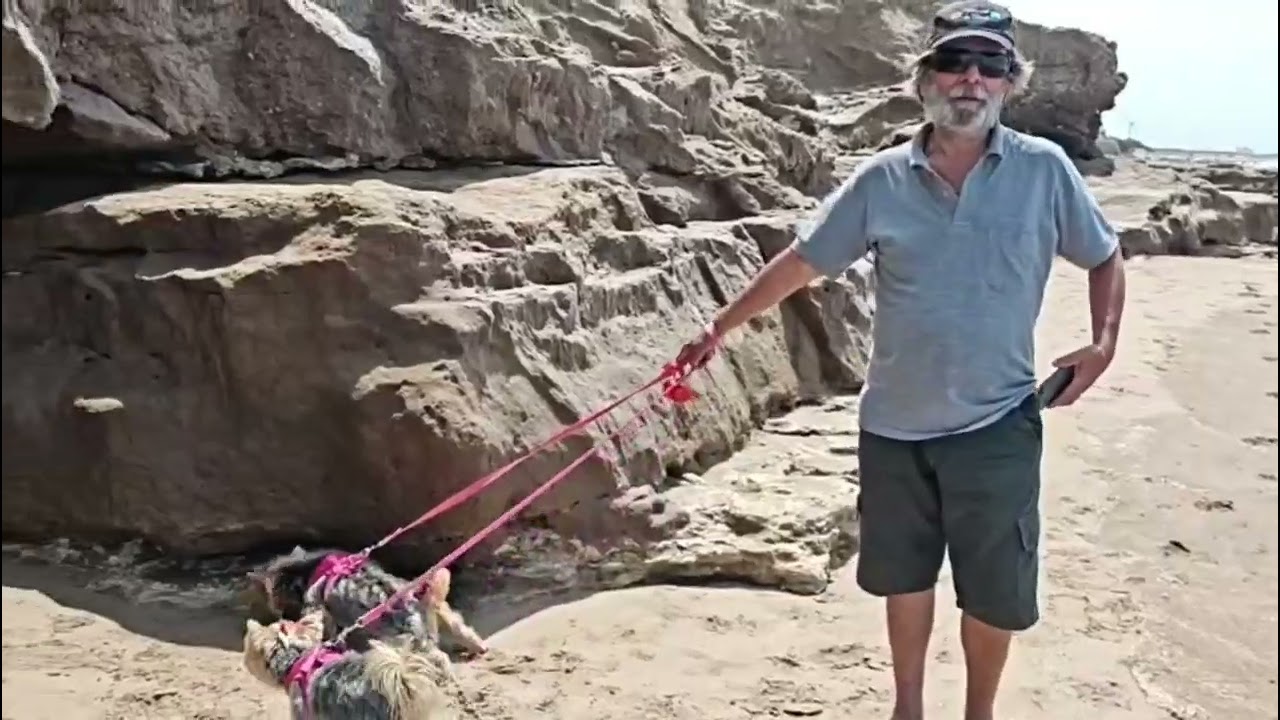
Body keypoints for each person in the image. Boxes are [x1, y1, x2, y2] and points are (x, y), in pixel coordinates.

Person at [672, 2, 1127, 719]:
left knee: (995, 592)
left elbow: (1105, 256)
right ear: (924, 80)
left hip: (999, 425)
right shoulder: (882, 179)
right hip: (894, 430)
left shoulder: (1046, 172)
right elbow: (803, 261)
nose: (971, 79)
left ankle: (979, 712)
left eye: (991, 66)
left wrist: (1103, 344)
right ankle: (907, 707)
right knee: (904, 580)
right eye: (954, 63)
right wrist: (718, 328)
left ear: (1011, 84)